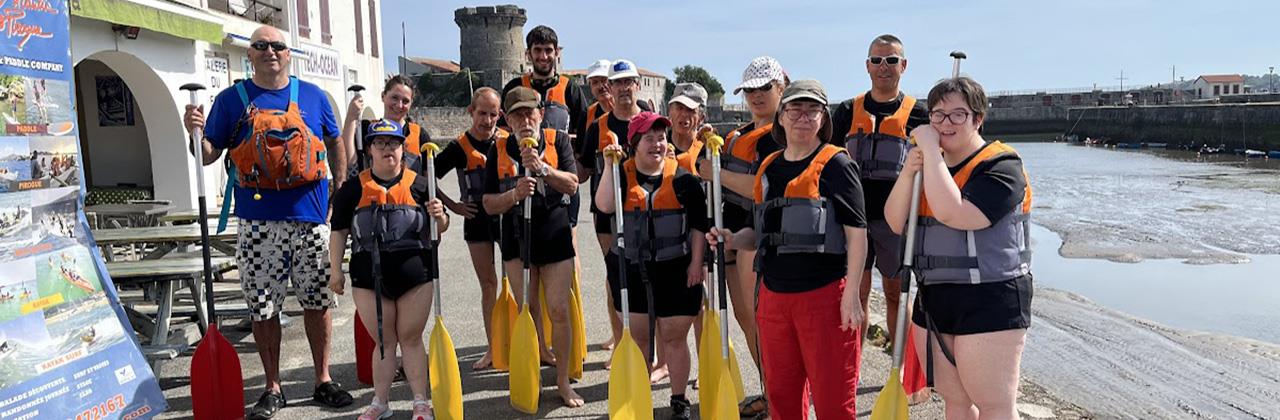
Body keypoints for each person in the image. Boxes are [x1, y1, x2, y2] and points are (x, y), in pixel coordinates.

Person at [183, 25, 349, 420]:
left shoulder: (314, 95)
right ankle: (272, 387)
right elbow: (207, 154)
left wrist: (339, 192)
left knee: (318, 301)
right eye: (261, 46)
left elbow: (335, 140)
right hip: (257, 222)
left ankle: (322, 378)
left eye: (277, 46)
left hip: (310, 218)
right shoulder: (230, 99)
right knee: (263, 307)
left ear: (288, 53)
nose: (270, 52)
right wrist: (192, 129)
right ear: (250, 54)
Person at [710, 80, 868, 420]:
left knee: (834, 404)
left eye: (812, 109)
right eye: (795, 108)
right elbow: (762, 233)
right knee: (781, 400)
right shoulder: (769, 168)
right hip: (773, 300)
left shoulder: (838, 166)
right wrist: (734, 239)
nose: (803, 116)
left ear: (823, 119)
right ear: (781, 117)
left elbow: (857, 234)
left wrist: (852, 293)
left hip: (824, 297)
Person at [885, 77, 1033, 420]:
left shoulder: (1002, 168)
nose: (945, 124)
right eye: (937, 115)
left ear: (977, 119)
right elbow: (894, 221)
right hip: (935, 298)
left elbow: (955, 213)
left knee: (994, 404)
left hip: (990, 298)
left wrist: (933, 154)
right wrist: (908, 172)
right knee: (955, 400)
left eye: (957, 115)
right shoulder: (925, 168)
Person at [328, 119, 450, 420]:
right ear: (369, 149)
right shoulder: (353, 190)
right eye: (380, 143)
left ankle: (420, 402)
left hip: (415, 276)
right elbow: (339, 231)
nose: (387, 149)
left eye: (393, 143)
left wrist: (440, 216)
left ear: (402, 149)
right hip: (368, 277)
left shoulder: (422, 185)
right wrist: (335, 271)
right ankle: (380, 402)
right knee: (384, 341)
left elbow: (440, 227)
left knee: (410, 338)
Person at [595, 112, 708, 420]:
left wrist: (697, 264)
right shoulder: (619, 175)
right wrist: (608, 165)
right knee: (639, 339)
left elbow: (699, 225)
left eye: (661, 137)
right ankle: (638, 396)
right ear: (634, 144)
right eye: (649, 138)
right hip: (632, 268)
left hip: (676, 268)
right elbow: (604, 206)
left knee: (673, 338)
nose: (657, 144)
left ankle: (679, 400)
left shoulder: (684, 179)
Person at [482, 86, 584, 407]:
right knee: (530, 308)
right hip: (516, 235)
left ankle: (564, 382)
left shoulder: (559, 141)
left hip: (553, 231)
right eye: (517, 115)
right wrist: (513, 195)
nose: (526, 120)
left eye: (530, 113)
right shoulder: (497, 150)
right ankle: (535, 368)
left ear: (540, 113)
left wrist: (542, 169)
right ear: (507, 120)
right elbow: (487, 204)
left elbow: (573, 183)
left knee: (558, 309)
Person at [697, 56, 786, 417]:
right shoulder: (734, 135)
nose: (756, 96)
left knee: (759, 319)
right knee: (745, 318)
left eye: (765, 88)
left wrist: (713, 171)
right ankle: (770, 390)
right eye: (750, 90)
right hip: (730, 235)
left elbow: (760, 187)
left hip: (758, 234)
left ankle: (781, 393)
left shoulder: (781, 136)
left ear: (782, 88)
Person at [831, 34, 930, 356]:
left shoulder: (920, 116)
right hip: (853, 221)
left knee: (895, 294)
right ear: (867, 66)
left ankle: (900, 367)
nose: (883, 67)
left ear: (904, 65)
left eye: (891, 60)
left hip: (896, 222)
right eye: (877, 60)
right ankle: (853, 367)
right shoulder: (846, 111)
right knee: (856, 295)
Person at [433, 87, 507, 370]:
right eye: (481, 113)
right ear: (470, 112)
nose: (487, 120)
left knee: (514, 283)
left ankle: (518, 340)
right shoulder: (457, 147)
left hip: (505, 217)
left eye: (492, 114)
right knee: (489, 285)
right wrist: (453, 205)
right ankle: (492, 348)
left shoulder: (506, 141)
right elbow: (425, 178)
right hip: (476, 221)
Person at [579, 59, 647, 362]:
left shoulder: (651, 122)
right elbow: (580, 170)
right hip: (606, 213)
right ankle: (621, 344)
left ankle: (649, 349)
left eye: (628, 82)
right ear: (611, 87)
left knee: (646, 276)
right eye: (617, 83)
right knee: (614, 275)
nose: (623, 88)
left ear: (638, 85)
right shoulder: (598, 127)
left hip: (644, 211)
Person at [341, 75, 430, 182]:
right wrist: (351, 118)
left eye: (405, 101)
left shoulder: (420, 135)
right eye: (394, 98)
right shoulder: (367, 128)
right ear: (383, 96)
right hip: (372, 195)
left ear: (411, 103)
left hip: (409, 196)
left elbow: (429, 181)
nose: (399, 105)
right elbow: (350, 161)